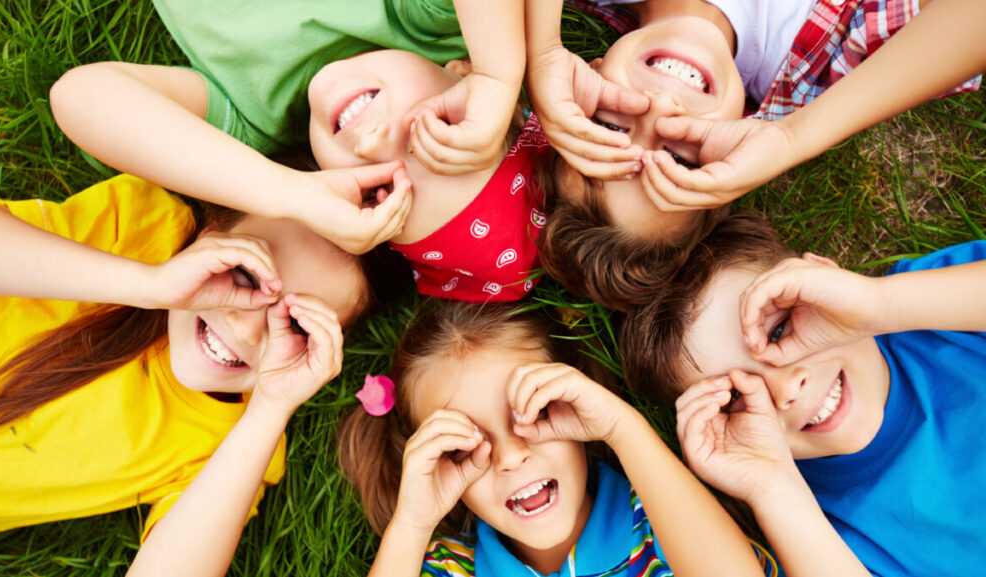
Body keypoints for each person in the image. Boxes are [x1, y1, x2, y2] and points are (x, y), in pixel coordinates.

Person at [0, 174, 407, 574]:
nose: (246, 326)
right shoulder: (140, 227)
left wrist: (271, 408)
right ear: (209, 238)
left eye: (294, 324)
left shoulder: (236, 443)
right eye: (246, 276)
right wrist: (149, 284)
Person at [50, 0, 549, 302]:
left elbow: (80, 96)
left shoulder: (250, 124)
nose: (375, 142)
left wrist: (289, 193)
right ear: (460, 72)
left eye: (377, 189)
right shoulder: (425, 18)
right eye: (435, 131)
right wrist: (499, 71)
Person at [527, 0, 984, 310]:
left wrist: (541, 50)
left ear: (582, 82)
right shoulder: (837, 62)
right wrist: (791, 137)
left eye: (609, 129)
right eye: (681, 160)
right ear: (732, 153)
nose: (661, 109)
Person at [619, 212, 986, 575]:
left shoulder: (932, 308)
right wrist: (771, 487)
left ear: (825, 281)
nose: (786, 389)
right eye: (737, 396)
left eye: (779, 331)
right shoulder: (813, 534)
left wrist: (879, 303)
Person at [337, 302, 777, 577]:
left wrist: (622, 428)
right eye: (465, 446)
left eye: (534, 413)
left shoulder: (664, 520)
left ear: (576, 403)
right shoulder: (448, 569)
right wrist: (411, 524)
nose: (510, 457)